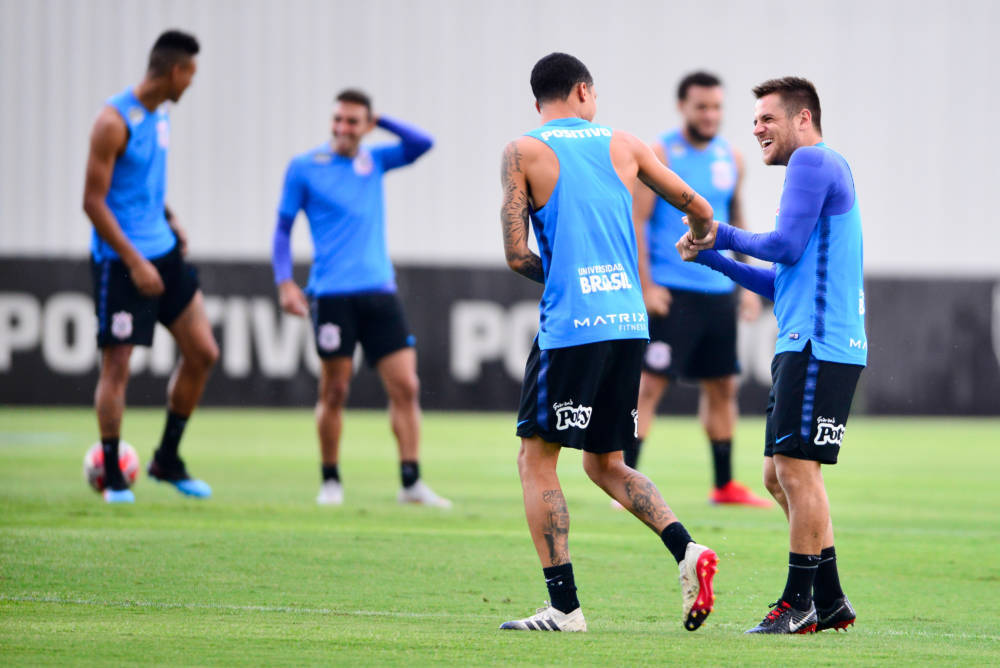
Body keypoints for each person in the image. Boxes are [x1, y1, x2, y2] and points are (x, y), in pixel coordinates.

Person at [498, 53, 719, 633]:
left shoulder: (523, 151)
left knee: (536, 459)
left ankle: (564, 607)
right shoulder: (626, 143)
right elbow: (698, 208)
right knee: (606, 464)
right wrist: (697, 236)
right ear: (583, 91)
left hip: (573, 327)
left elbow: (517, 254)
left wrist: (566, 279)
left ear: (538, 101)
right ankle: (688, 550)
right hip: (629, 322)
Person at [677, 77, 866, 634]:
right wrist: (712, 255)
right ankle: (829, 599)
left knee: (796, 473)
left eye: (768, 118)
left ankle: (797, 603)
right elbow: (781, 280)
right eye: (755, 119)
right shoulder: (812, 171)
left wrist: (720, 232)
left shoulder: (812, 161)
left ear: (803, 118)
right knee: (778, 476)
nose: (756, 127)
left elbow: (783, 246)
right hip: (808, 340)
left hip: (818, 344)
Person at [272, 89, 450, 508]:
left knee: (406, 386)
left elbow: (423, 143)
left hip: (379, 291)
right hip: (332, 295)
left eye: (352, 121)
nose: (343, 128)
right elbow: (282, 230)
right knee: (335, 390)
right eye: (338, 119)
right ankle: (330, 480)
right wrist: (284, 282)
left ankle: (411, 483)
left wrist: (381, 119)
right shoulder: (304, 167)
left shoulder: (374, 160)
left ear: (365, 125)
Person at [82, 30, 217, 504]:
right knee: (118, 365)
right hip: (122, 262)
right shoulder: (112, 121)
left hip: (164, 253)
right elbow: (93, 202)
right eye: (191, 74)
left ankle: (167, 460)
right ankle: (113, 475)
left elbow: (140, 187)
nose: (192, 83)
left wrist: (170, 218)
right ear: (176, 71)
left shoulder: (160, 117)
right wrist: (135, 262)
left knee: (203, 352)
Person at [630, 72, 770, 508]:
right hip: (671, 292)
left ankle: (724, 485)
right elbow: (637, 221)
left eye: (716, 107)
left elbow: (737, 219)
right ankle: (626, 482)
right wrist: (646, 285)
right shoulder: (659, 154)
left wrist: (748, 284)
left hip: (718, 290)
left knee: (723, 386)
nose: (710, 115)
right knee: (649, 386)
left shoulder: (732, 157)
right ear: (682, 107)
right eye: (701, 107)